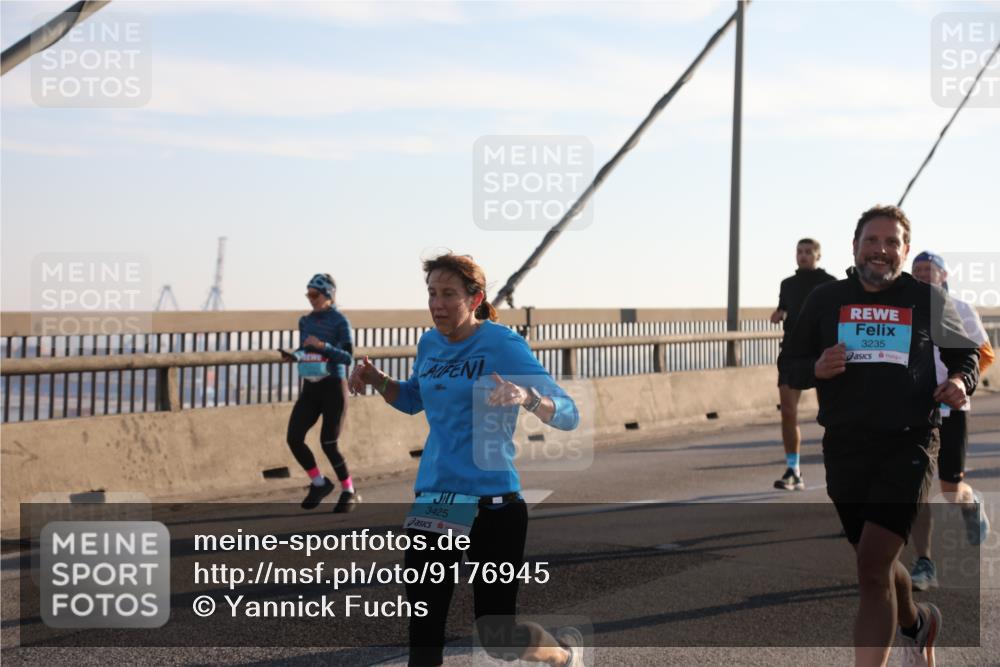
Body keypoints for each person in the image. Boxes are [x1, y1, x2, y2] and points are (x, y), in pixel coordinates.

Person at [349, 253, 584, 667]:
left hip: (493, 504)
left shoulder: (502, 344)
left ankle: (562, 656)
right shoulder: (429, 343)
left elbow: (568, 413)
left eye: (448, 295)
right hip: (436, 498)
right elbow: (415, 399)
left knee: (498, 638)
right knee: (424, 627)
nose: (437, 304)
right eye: (432, 294)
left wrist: (527, 397)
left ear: (474, 299)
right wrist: (378, 380)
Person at [781, 205, 980, 667]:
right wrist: (814, 367)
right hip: (846, 446)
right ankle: (916, 623)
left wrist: (960, 383)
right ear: (855, 247)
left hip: (908, 442)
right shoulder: (826, 299)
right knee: (881, 566)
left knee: (870, 569)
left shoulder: (927, 299)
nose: (881, 250)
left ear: (905, 251)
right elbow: (789, 363)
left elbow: (965, 356)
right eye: (873, 240)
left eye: (892, 242)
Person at [908, 251, 994, 591]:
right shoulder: (904, 310)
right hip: (915, 409)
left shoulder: (958, 308)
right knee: (916, 489)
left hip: (952, 410)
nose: (923, 275)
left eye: (929, 270)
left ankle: (971, 504)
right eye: (916, 270)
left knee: (949, 489)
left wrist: (959, 384)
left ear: (943, 276)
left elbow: (983, 354)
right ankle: (924, 562)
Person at [284, 273, 360, 513]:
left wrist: (323, 347)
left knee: (328, 442)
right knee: (294, 437)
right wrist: (294, 355)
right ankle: (319, 482)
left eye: (315, 294)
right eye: (308, 294)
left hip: (333, 386)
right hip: (311, 386)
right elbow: (303, 348)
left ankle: (348, 490)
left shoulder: (340, 321)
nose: (311, 299)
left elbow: (348, 356)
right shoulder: (305, 321)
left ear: (327, 294)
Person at [771, 238, 836, 490]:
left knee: (829, 415)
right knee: (788, 412)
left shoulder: (830, 283)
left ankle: (837, 466)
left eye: (808, 252)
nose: (803, 256)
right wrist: (779, 315)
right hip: (793, 353)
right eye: (799, 252)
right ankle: (793, 470)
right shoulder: (787, 284)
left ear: (818, 256)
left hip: (822, 352)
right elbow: (784, 308)